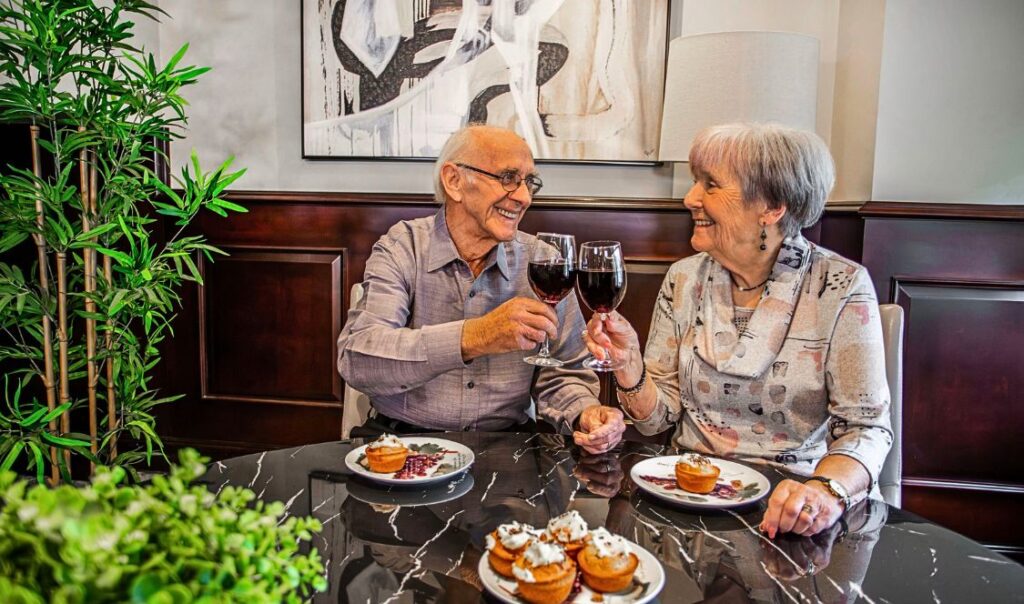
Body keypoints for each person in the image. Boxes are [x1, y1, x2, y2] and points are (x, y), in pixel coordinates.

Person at [583, 123, 892, 536]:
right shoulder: (684, 278)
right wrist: (629, 367)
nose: (690, 198)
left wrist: (825, 491)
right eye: (696, 182)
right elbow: (655, 421)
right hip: (683, 499)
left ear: (772, 206)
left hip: (790, 510)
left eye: (710, 185)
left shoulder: (838, 285)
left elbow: (866, 428)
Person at [337, 124, 625, 454]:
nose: (524, 197)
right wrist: (476, 335)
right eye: (507, 178)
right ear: (454, 181)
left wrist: (583, 412)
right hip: (401, 444)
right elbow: (358, 359)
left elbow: (563, 371)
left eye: (529, 182)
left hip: (508, 451)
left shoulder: (543, 261)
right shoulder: (402, 247)